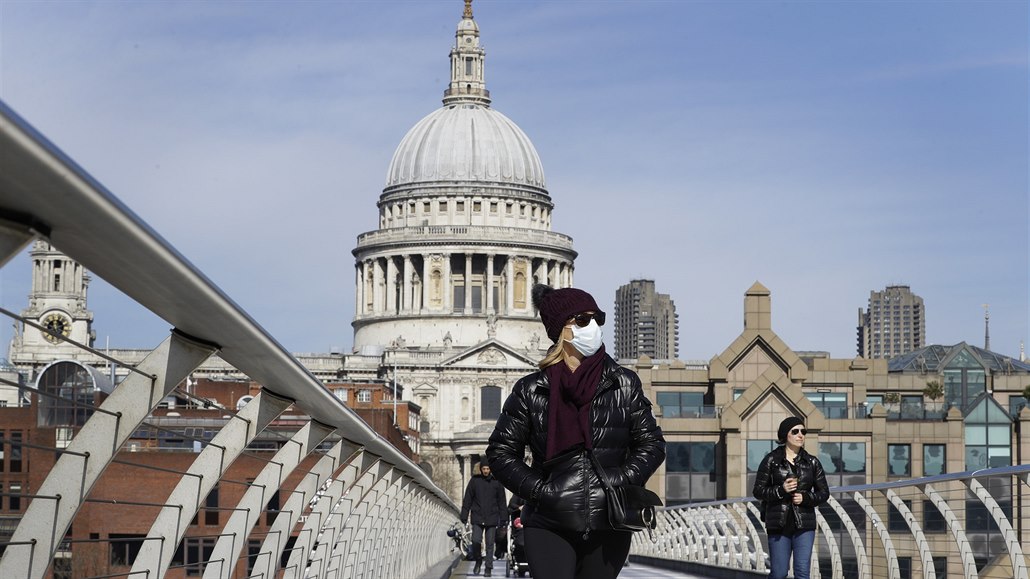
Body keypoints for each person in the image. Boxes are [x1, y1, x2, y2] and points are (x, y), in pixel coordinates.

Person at [487, 284, 666, 579]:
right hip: (548, 522)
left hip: (609, 520)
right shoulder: (532, 389)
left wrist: (617, 481)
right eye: (582, 320)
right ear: (561, 330)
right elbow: (501, 453)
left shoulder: (623, 383)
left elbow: (652, 444)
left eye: (597, 319)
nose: (593, 327)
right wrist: (541, 491)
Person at [753, 416, 830, 579]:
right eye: (795, 431)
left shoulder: (812, 462)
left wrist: (806, 498)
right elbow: (758, 491)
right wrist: (781, 490)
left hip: (804, 523)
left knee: (802, 572)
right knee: (779, 573)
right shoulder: (771, 460)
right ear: (784, 436)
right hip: (778, 523)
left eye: (803, 431)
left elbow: (824, 493)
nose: (800, 435)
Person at [460, 461, 507, 577]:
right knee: (476, 540)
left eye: (488, 468)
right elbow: (467, 499)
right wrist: (464, 515)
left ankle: (488, 568)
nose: (486, 471)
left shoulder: (497, 482)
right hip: (477, 516)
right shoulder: (474, 481)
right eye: (484, 469)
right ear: (481, 469)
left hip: (492, 516)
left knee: (490, 544)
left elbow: (502, 501)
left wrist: (503, 518)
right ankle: (478, 559)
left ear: (490, 469)